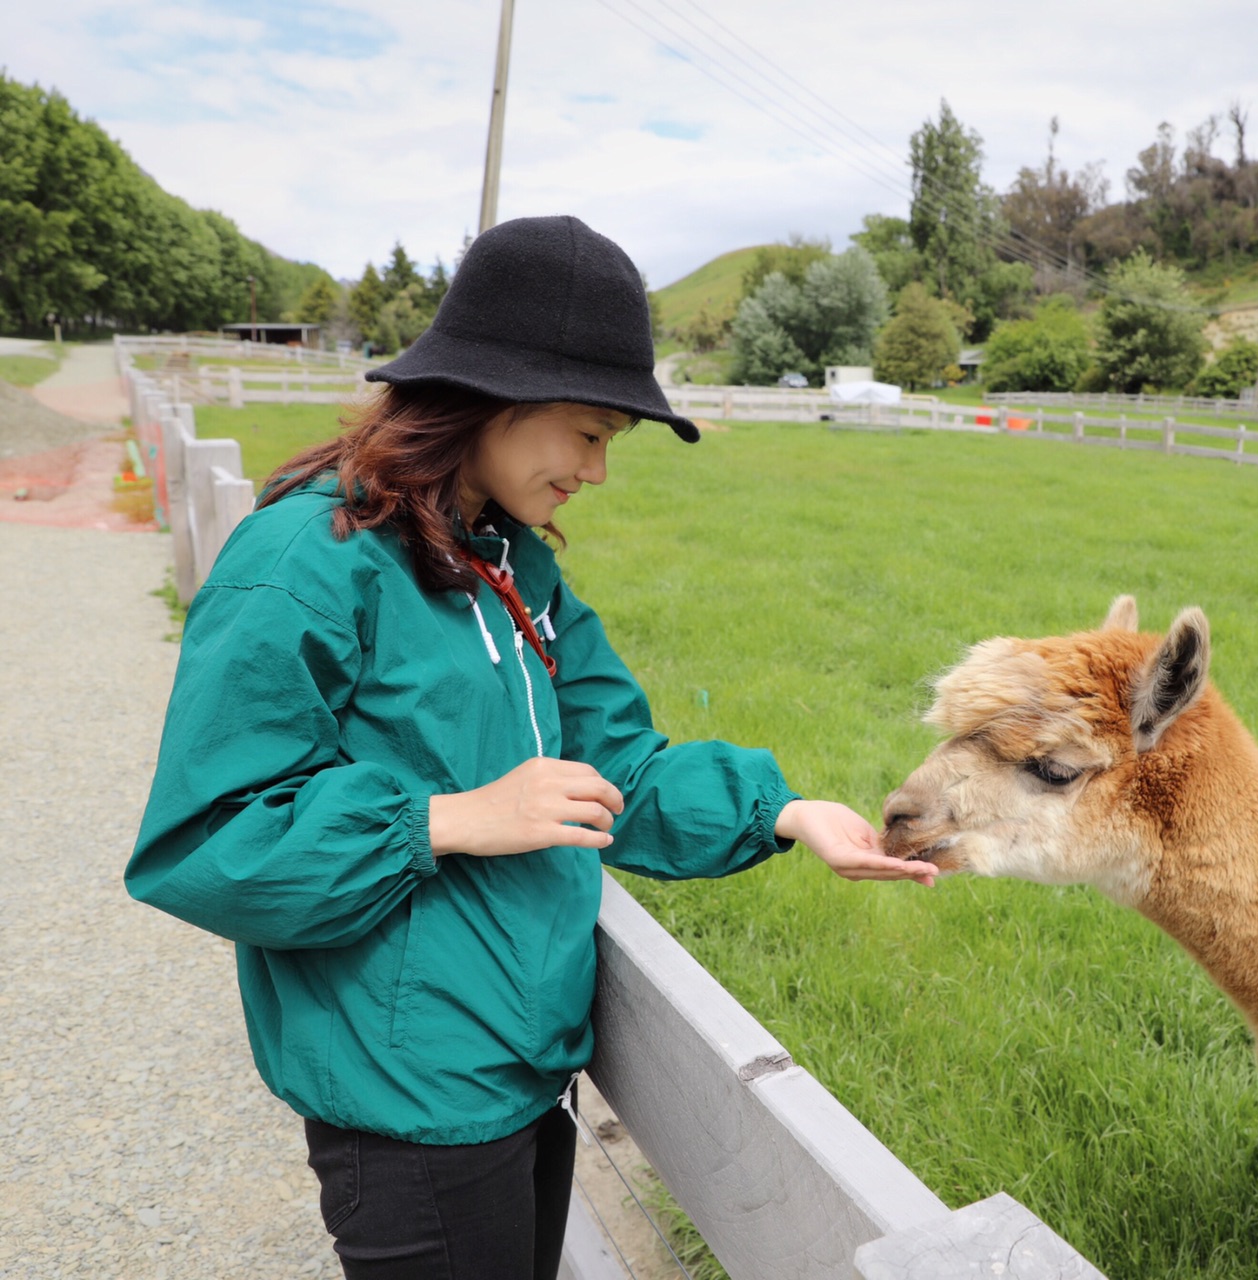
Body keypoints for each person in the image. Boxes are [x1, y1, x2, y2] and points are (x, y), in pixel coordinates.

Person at [126, 215, 936, 1280]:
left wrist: (782, 811)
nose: (600, 470)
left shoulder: (511, 569)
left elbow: (621, 771)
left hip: (529, 1070)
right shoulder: (304, 561)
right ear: (495, 399)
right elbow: (204, 836)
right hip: (411, 1102)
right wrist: (450, 817)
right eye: (589, 432)